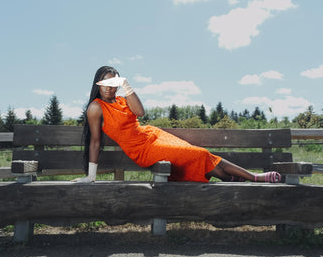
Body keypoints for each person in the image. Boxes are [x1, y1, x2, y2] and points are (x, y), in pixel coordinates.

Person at [73, 66, 281, 183]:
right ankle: (253, 177)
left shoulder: (122, 99)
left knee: (197, 152)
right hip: (142, 150)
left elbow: (140, 112)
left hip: (152, 135)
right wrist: (91, 176)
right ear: (98, 84)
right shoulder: (96, 108)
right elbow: (95, 142)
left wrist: (126, 86)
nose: (109, 88)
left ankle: (236, 179)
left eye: (113, 84)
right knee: (198, 154)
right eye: (105, 83)